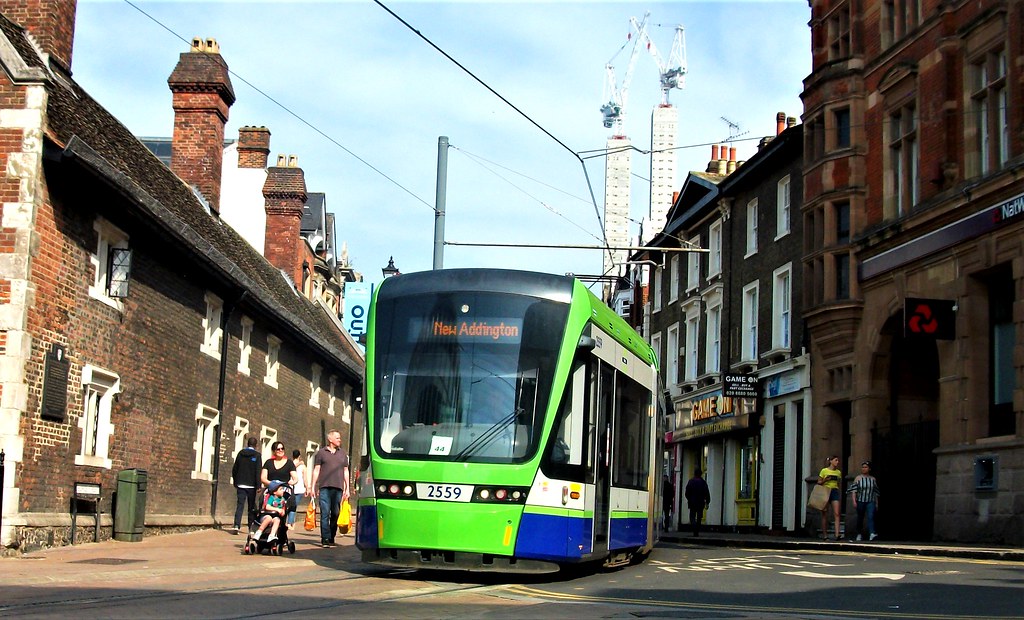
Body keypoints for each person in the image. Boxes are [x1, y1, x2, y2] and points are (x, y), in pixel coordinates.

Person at [309, 429, 350, 548]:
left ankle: (332, 536)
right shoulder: (321, 453)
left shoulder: (343, 454)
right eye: (337, 438)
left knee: (336, 513)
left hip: (338, 488)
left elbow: (346, 471)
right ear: (330, 439)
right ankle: (325, 538)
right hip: (324, 488)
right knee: (325, 513)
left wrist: (347, 488)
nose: (339, 440)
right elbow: (316, 470)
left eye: (339, 438)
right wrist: (312, 486)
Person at [230, 437, 261, 534]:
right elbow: (258, 471)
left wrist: (236, 481)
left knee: (240, 505)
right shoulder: (257, 455)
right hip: (251, 485)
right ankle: (251, 528)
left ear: (248, 444)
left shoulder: (240, 453)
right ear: (256, 445)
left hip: (241, 484)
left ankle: (236, 525)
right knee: (251, 507)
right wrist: (258, 485)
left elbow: (235, 468)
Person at [849, 461, 880, 541]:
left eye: (866, 467)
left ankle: (872, 533)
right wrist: (854, 501)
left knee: (871, 516)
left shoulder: (873, 479)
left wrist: (876, 503)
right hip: (860, 500)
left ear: (869, 469)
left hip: (870, 500)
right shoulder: (858, 478)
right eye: (863, 467)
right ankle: (859, 533)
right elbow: (854, 490)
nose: (864, 469)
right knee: (860, 517)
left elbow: (875, 492)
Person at [817, 455, 843, 540]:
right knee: (825, 513)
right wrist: (826, 480)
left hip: (834, 491)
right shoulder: (824, 471)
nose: (837, 462)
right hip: (825, 490)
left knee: (837, 513)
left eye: (838, 461)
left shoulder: (838, 472)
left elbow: (839, 482)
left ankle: (837, 534)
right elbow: (819, 482)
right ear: (831, 461)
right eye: (836, 460)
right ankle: (825, 535)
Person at [684, 468, 711, 537]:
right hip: (700, 502)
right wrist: (707, 501)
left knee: (692, 516)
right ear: (701, 474)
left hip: (692, 502)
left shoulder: (691, 481)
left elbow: (687, 492)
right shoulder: (703, 482)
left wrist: (689, 499)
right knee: (699, 517)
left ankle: (694, 527)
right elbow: (706, 492)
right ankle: (697, 530)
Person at [286, 449, 309, 530]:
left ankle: (290, 522)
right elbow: (305, 478)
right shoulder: (302, 466)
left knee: (289, 505)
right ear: (299, 456)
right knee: (293, 506)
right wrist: (307, 488)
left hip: (290, 488)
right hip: (299, 489)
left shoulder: (288, 464)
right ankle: (290, 523)